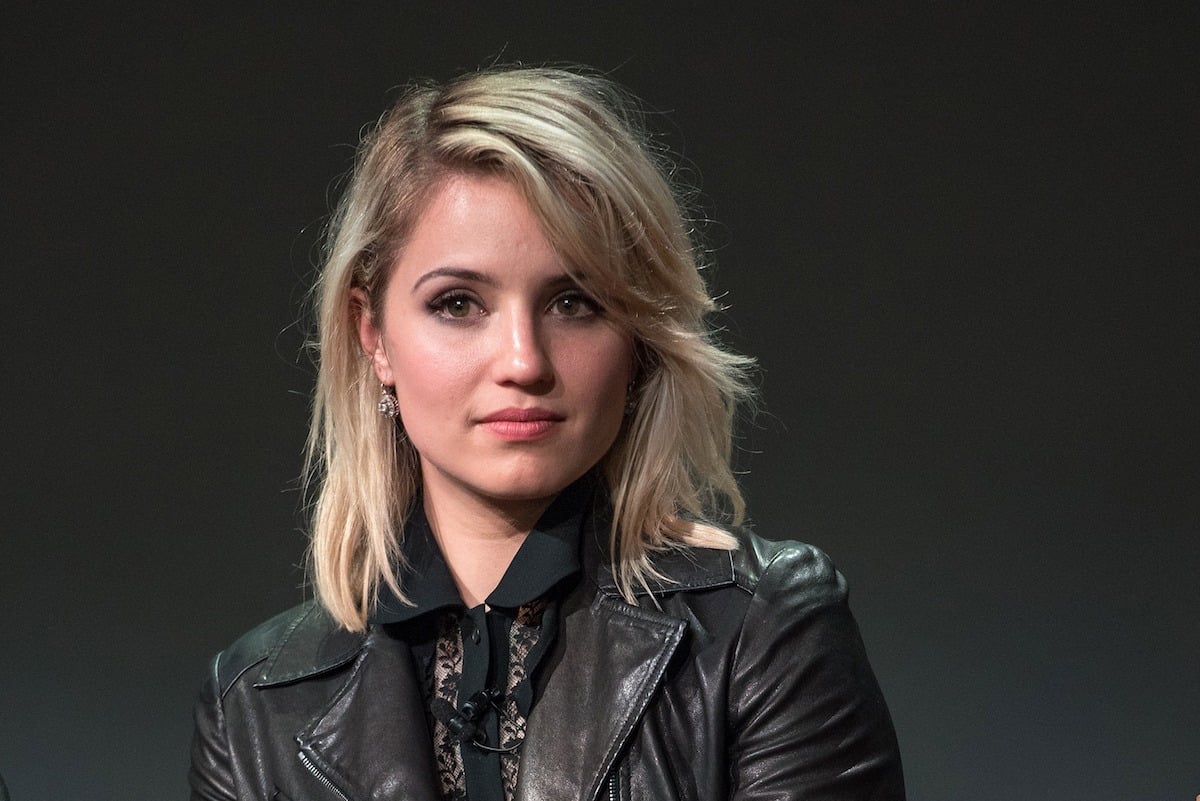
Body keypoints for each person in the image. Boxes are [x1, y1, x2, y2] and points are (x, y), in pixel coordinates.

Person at [190, 66, 904, 801]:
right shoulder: (254, 706)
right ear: (372, 334)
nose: (524, 361)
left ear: (639, 334)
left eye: (574, 301)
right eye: (459, 303)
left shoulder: (766, 632)